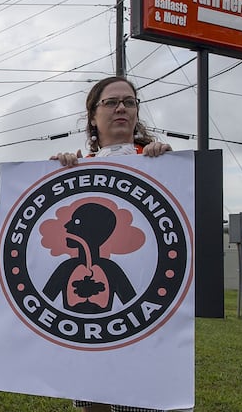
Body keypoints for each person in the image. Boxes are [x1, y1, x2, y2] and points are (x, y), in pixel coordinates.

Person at [51, 76, 171, 412]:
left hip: (145, 323)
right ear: (92, 116)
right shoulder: (78, 168)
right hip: (90, 330)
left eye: (129, 102)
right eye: (111, 102)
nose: (121, 108)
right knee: (95, 398)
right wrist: (54, 173)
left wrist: (171, 167)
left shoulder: (161, 164)